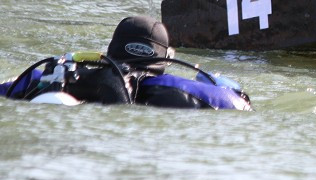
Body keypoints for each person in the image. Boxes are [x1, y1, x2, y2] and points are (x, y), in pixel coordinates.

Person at [0, 15, 251, 110]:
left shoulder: (54, 77)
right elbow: (239, 105)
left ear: (110, 50)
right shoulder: (178, 87)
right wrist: (222, 83)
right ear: (164, 58)